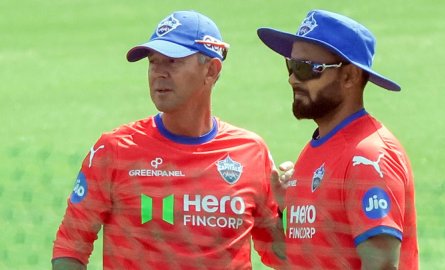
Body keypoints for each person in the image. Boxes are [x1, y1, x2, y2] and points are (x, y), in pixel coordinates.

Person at [52, 10, 285, 270]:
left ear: (211, 70)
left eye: (172, 61)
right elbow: (70, 246)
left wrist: (290, 214)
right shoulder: (115, 150)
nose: (158, 73)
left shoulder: (251, 152)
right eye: (153, 61)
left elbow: (279, 254)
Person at [257, 10, 418, 269]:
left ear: (349, 76)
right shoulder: (315, 150)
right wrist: (275, 211)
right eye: (291, 65)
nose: (292, 78)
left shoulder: (369, 157)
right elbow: (300, 261)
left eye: (307, 69)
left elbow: (382, 265)